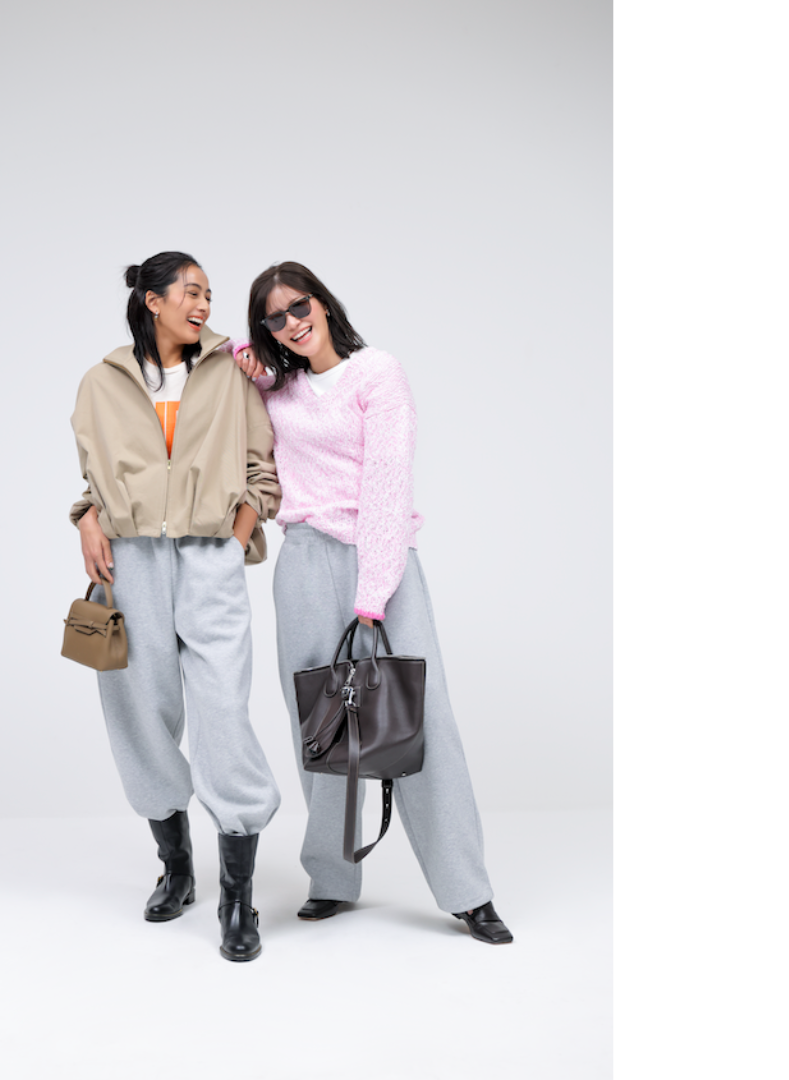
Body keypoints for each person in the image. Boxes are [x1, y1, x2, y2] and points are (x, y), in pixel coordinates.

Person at [230, 261, 513, 944]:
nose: (291, 323)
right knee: (322, 726)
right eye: (275, 318)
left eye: (299, 307)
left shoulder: (377, 372)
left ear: (323, 304)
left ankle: (468, 891)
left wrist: (372, 595)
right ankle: (331, 877)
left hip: (379, 562)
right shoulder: (278, 388)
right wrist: (244, 358)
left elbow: (389, 481)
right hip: (303, 563)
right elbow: (231, 369)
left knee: (422, 724)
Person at [70, 252, 282, 962]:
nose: (203, 305)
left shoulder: (231, 374)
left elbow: (261, 469)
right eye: (190, 292)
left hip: (209, 557)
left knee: (223, 714)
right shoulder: (101, 382)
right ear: (152, 301)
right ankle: (178, 868)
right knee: (142, 711)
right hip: (130, 562)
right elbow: (94, 476)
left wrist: (235, 539)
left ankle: (238, 898)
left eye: (209, 294)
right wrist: (85, 518)